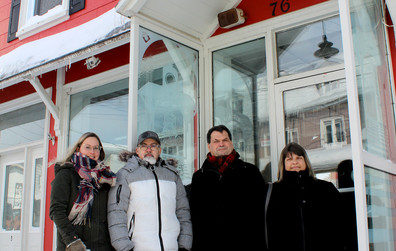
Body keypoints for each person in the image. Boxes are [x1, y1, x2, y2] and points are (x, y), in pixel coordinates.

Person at [107, 130, 192, 251]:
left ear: (159, 150)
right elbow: (116, 213)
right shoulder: (125, 174)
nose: (148, 149)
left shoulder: (173, 175)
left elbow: (183, 212)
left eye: (153, 146)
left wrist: (184, 245)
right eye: (144, 146)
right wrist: (124, 247)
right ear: (137, 150)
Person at [189, 125, 267, 251]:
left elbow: (261, 214)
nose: (221, 144)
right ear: (209, 146)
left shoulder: (250, 172)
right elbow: (195, 218)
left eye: (225, 140)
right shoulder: (199, 177)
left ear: (231, 143)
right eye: (216, 141)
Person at [266, 142, 345, 251]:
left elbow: (342, 223)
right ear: (283, 164)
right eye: (289, 159)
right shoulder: (273, 191)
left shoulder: (325, 188)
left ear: (305, 161)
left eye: (299, 158)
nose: (295, 162)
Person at [50, 132, 116, 251]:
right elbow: (56, 211)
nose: (92, 152)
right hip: (74, 246)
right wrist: (72, 241)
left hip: (102, 246)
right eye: (88, 147)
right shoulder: (66, 175)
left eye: (96, 148)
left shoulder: (105, 179)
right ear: (78, 148)